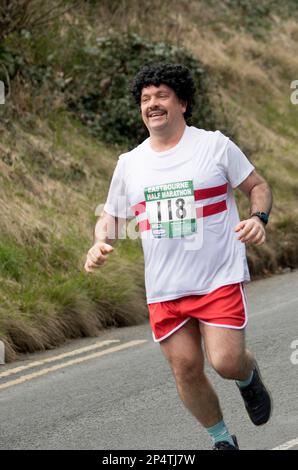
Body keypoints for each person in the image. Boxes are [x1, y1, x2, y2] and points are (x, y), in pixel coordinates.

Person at [84, 63, 273, 450]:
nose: (152, 104)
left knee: (225, 361)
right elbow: (112, 218)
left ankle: (247, 375)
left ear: (183, 103)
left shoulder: (214, 145)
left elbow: (258, 186)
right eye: (145, 99)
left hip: (217, 276)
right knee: (185, 369)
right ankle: (222, 440)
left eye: (161, 96)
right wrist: (100, 242)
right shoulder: (130, 163)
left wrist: (258, 218)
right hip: (165, 285)